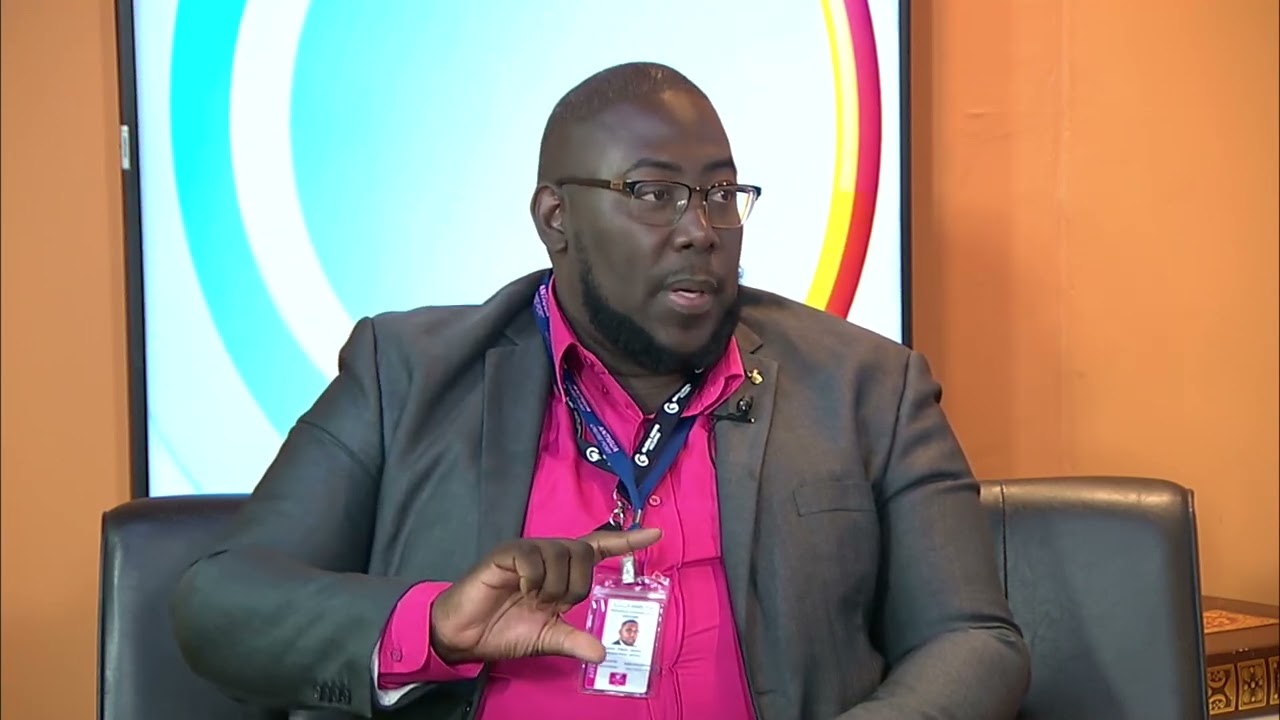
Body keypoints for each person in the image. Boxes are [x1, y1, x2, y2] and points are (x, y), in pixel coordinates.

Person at [171, 61, 1031, 719]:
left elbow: (973, 639)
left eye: (720, 194)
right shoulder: (406, 375)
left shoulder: (865, 388)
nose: (701, 230)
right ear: (556, 219)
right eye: (654, 194)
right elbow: (221, 602)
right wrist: (431, 625)